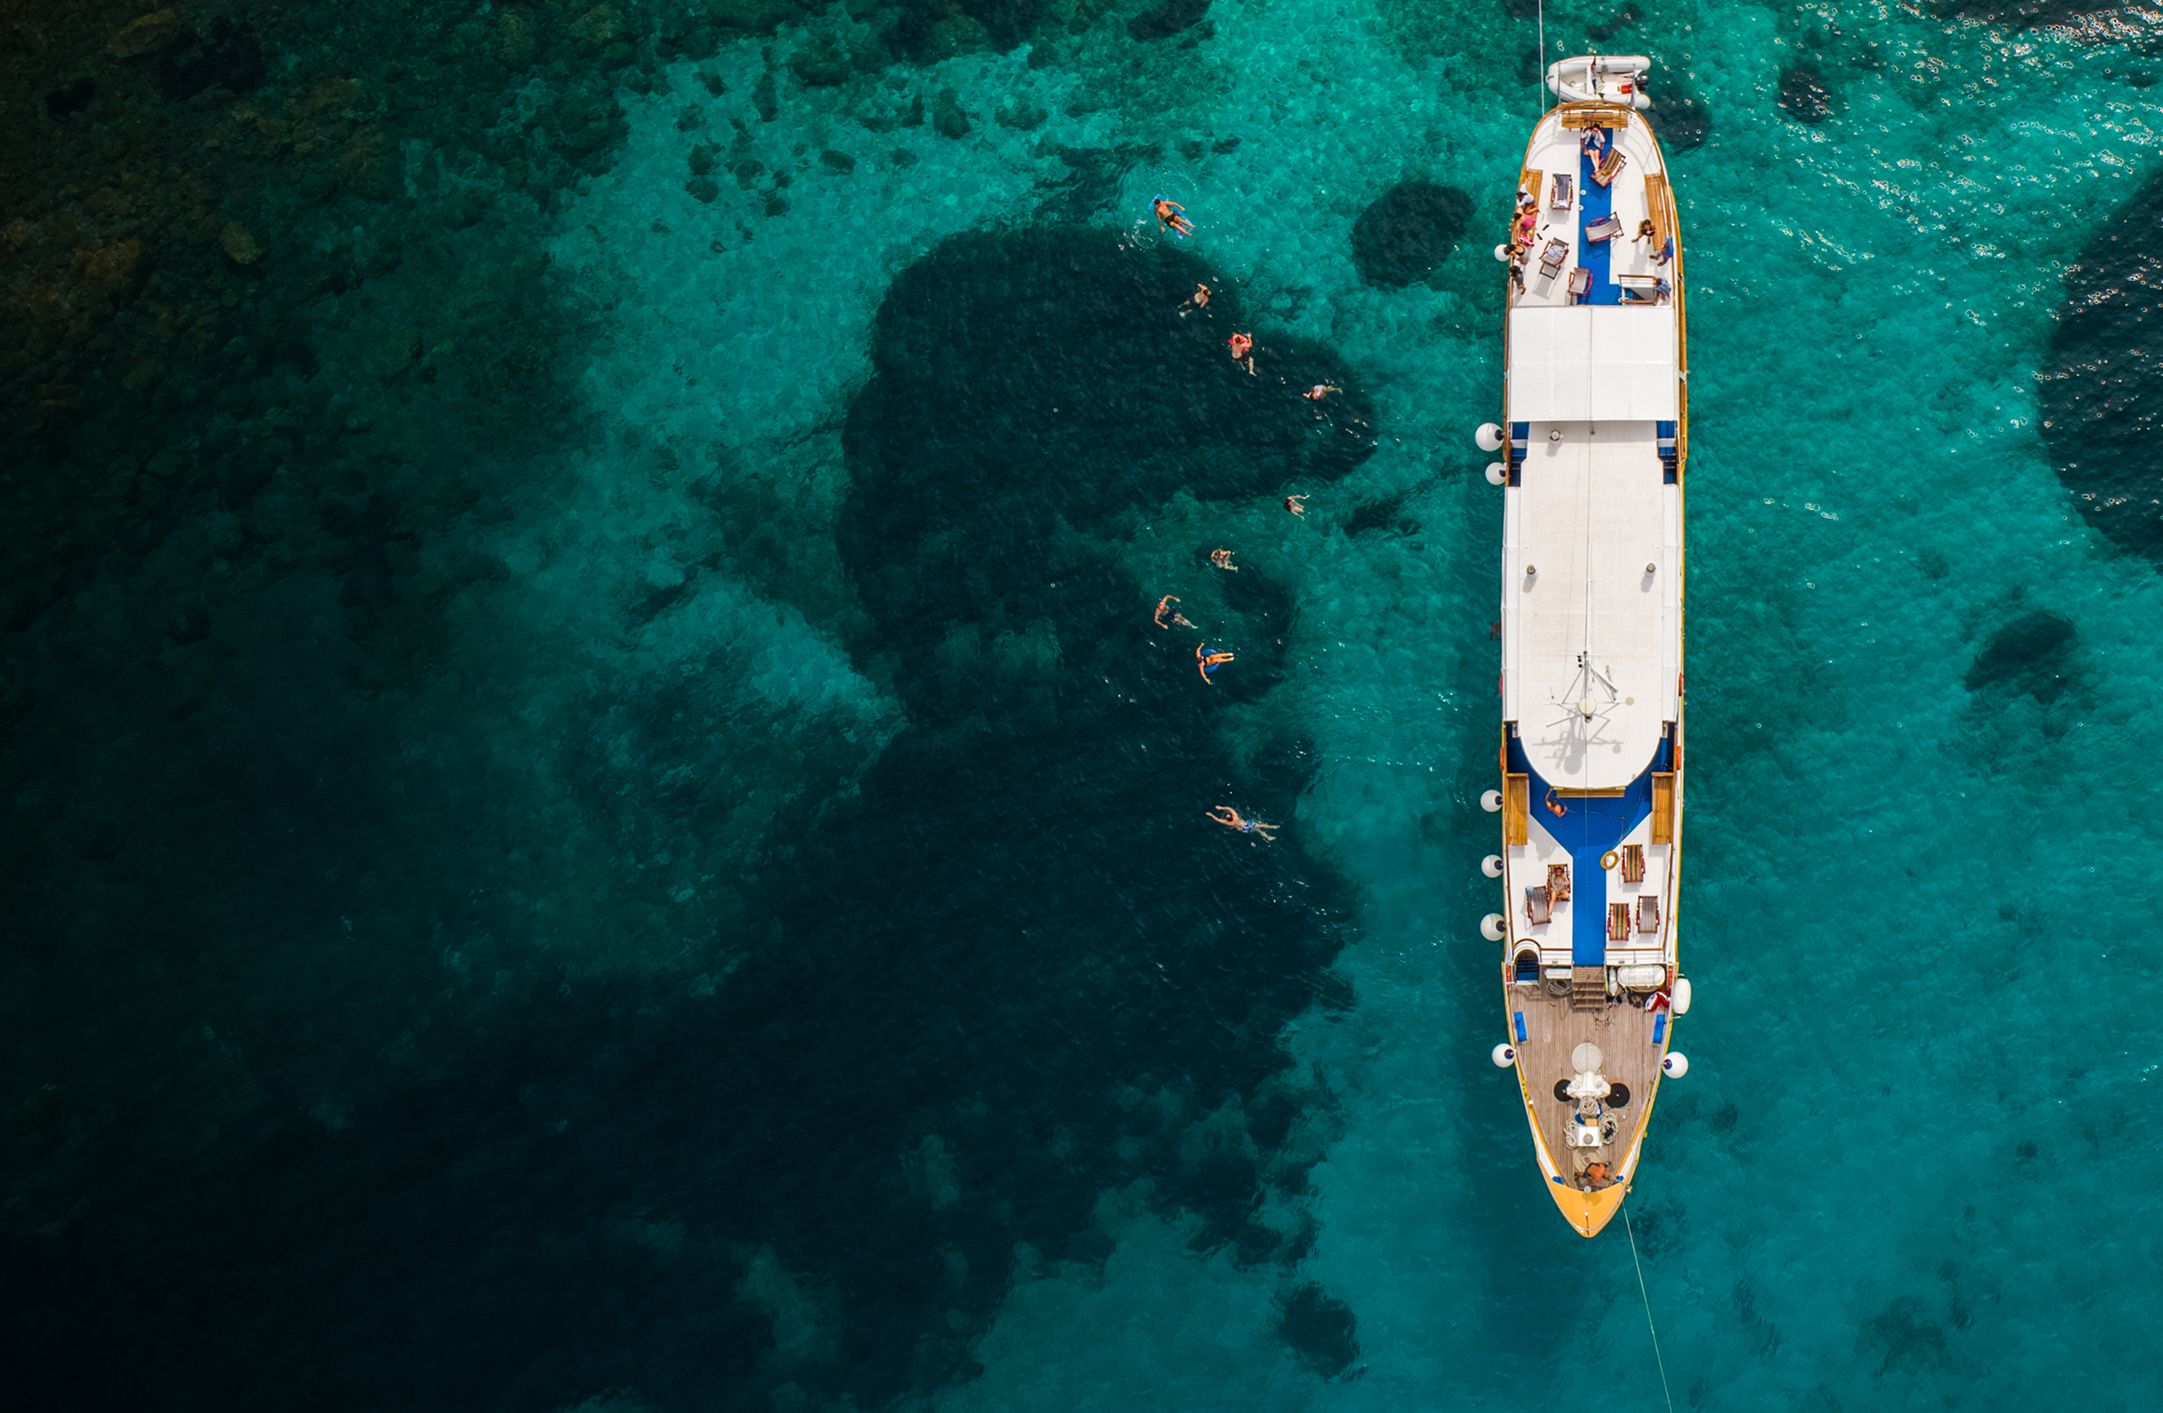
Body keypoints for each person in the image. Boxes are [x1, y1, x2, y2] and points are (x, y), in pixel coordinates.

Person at [1207, 805, 1279, 840]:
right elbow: (1229, 808)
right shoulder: (1235, 816)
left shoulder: (1227, 823)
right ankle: (1272, 827)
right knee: (1259, 826)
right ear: (1231, 816)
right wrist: (1221, 808)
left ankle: (1268, 837)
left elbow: (1217, 819)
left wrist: (1210, 815)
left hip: (1244, 830)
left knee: (1258, 830)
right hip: (1247, 824)